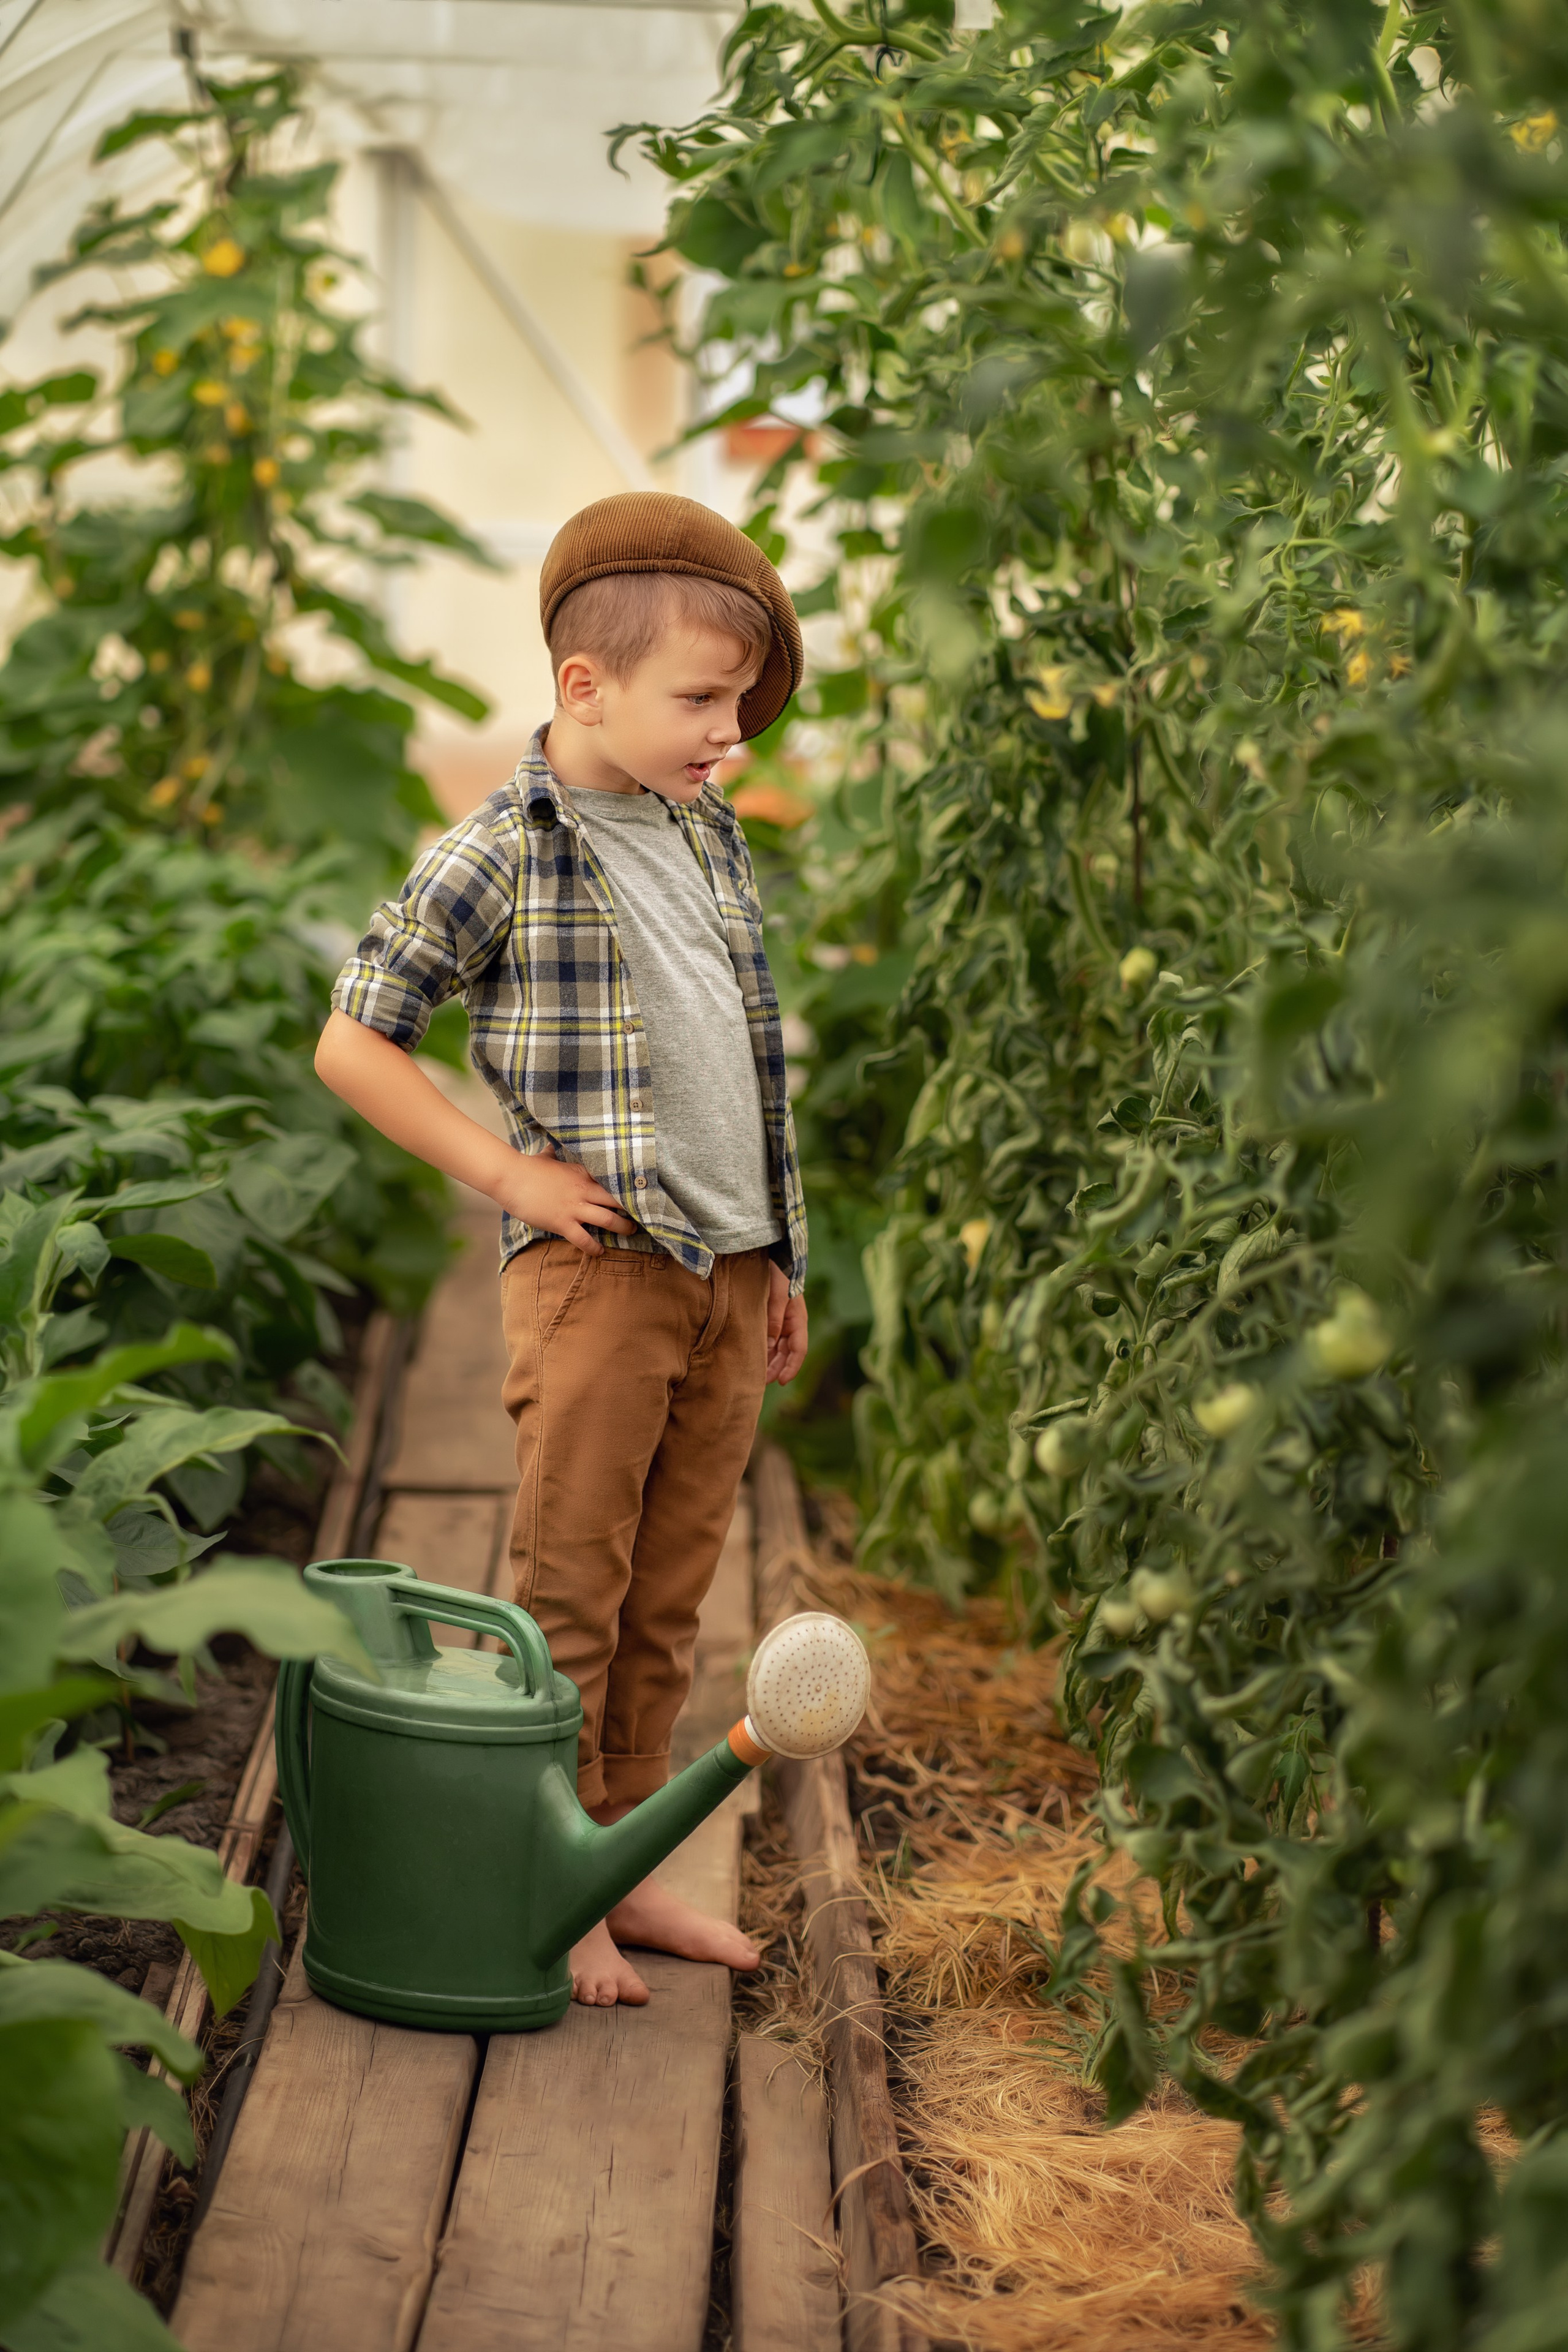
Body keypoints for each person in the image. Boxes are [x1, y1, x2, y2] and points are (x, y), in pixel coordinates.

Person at [314, 491, 809, 2008]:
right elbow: (355, 1041)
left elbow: (740, 1058)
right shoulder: (495, 852)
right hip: (601, 1273)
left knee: (672, 1603)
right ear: (582, 688)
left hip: (722, 1273)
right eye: (703, 701)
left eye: (737, 702)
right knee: (569, 1594)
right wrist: (501, 1173)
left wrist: (774, 1252)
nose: (731, 732)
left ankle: (621, 1863)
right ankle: (543, 1880)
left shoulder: (702, 826)